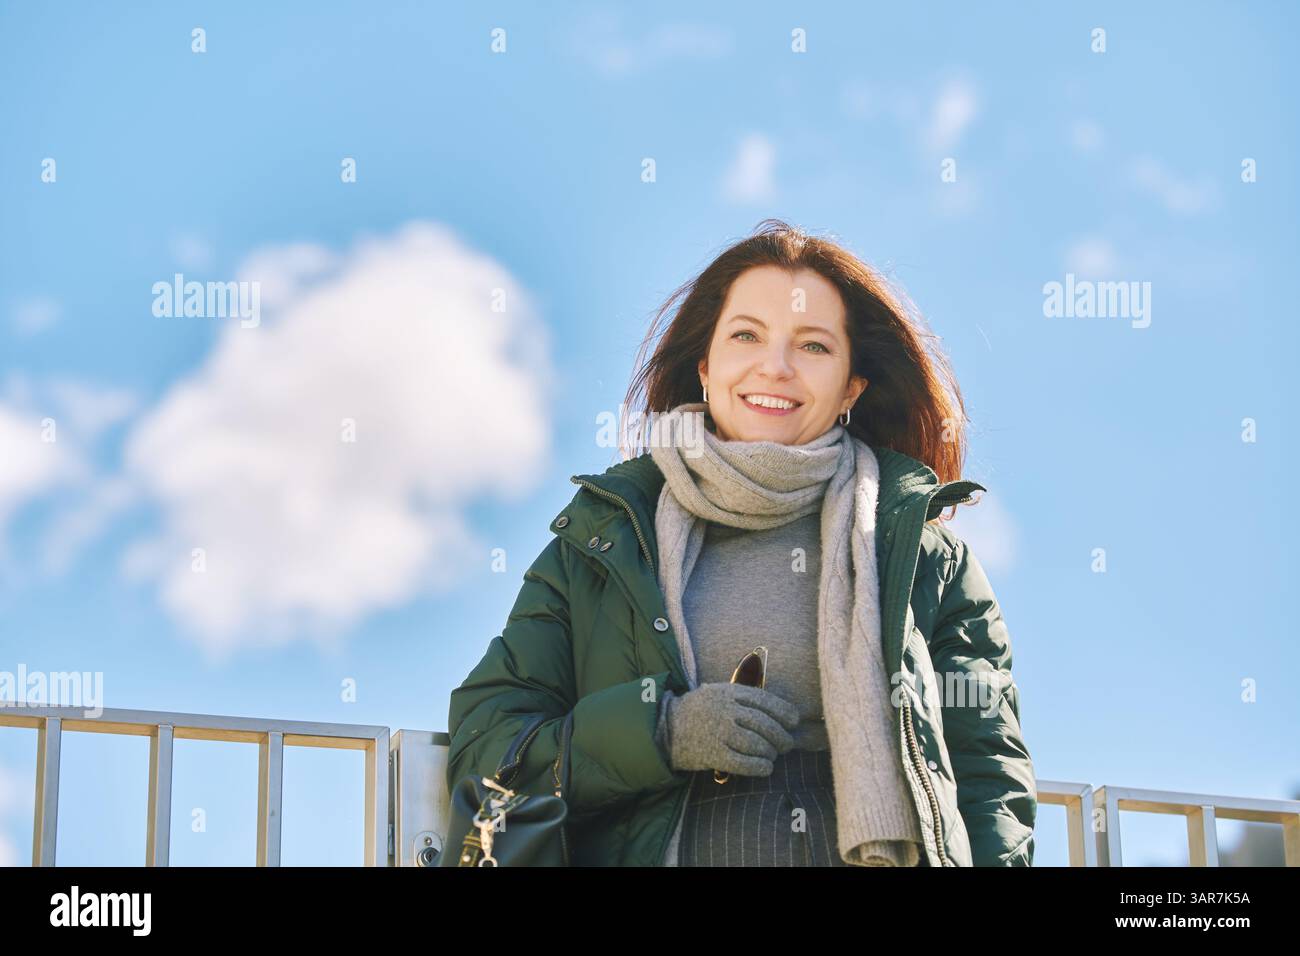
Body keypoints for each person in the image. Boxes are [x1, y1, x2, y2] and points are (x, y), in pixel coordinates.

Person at [445, 219, 1037, 866]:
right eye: (746, 335)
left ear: (851, 388)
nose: (775, 366)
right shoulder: (603, 540)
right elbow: (487, 745)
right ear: (705, 367)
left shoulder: (928, 563)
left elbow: (989, 784)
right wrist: (660, 731)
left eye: (812, 346)